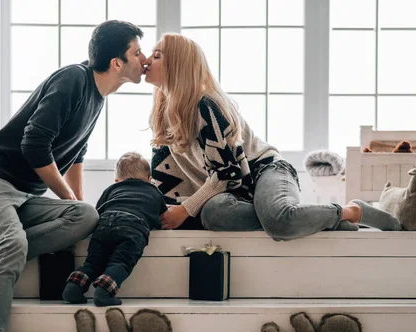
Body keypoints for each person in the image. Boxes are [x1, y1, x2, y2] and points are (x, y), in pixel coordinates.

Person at [0, 20, 148, 332]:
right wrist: (65, 198)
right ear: (116, 62)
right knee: (11, 245)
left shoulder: (97, 98)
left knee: (88, 215)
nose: (143, 60)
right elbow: (34, 146)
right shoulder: (73, 80)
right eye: (137, 53)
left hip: (25, 195)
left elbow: (75, 154)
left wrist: (75, 205)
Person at [144, 33, 401, 237]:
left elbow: (228, 173)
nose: (146, 61)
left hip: (266, 170)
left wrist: (186, 209)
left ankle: (350, 211)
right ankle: (315, 221)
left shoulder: (206, 104)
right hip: (236, 193)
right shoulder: (162, 115)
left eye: (156, 55)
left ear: (177, 65)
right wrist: (159, 212)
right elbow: (165, 179)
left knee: (278, 222)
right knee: (213, 213)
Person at [62, 152, 167, 306]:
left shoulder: (111, 190)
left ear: (117, 180)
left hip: (105, 224)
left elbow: (97, 212)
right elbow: (163, 217)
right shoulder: (154, 192)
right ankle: (104, 291)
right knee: (121, 262)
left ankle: (74, 286)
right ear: (149, 179)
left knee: (93, 263)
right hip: (133, 226)